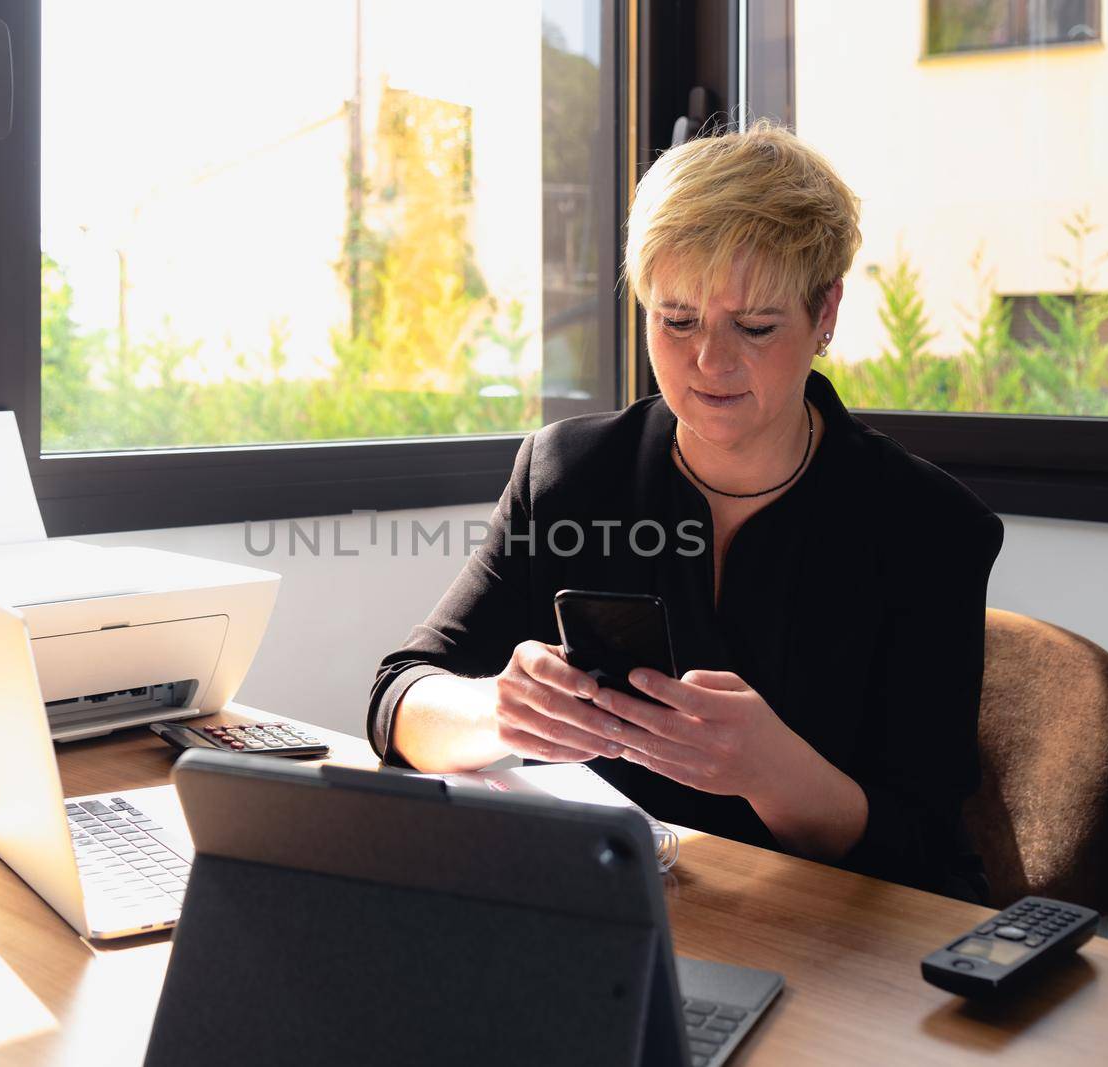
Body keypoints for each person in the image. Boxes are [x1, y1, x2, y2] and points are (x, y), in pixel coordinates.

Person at [368, 121, 1004, 901]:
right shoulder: (569, 475)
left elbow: (926, 852)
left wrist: (774, 772)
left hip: (829, 943)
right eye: (677, 319)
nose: (710, 361)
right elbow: (399, 695)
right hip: (609, 911)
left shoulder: (926, 528)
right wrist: (495, 712)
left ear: (825, 311)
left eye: (756, 326)